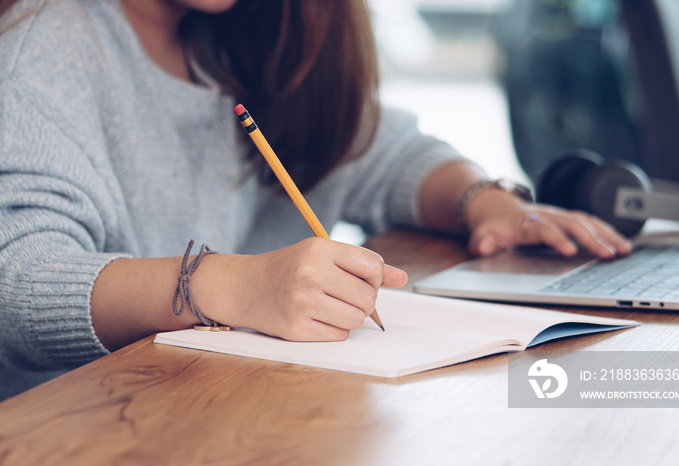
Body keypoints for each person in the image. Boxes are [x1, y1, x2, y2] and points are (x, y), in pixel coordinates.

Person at [0, 0, 631, 400]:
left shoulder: (243, 34)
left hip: (238, 409)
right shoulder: (47, 44)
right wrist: (228, 285)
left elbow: (389, 152)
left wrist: (484, 200)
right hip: (90, 427)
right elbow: (19, 287)